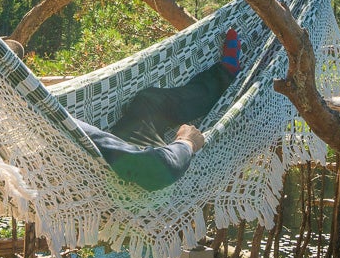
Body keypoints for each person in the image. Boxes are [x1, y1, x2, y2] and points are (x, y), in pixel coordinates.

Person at [69, 27, 242, 190]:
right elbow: (158, 170)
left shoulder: (47, 120)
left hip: (106, 162)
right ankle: (225, 74)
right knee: (149, 103)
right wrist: (187, 142)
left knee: (148, 101)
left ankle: (223, 75)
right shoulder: (52, 124)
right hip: (127, 184)